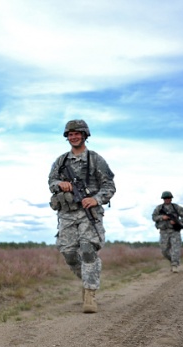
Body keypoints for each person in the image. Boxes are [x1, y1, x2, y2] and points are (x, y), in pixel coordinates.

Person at [48, 120, 116, 313]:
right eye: (70, 134)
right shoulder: (61, 161)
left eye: (77, 133)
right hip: (67, 213)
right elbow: (51, 181)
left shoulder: (95, 160)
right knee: (68, 253)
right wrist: (60, 184)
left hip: (89, 213)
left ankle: (89, 293)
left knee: (87, 250)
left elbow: (109, 186)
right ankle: (88, 279)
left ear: (85, 135)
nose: (74, 137)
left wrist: (96, 199)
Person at [152, 191, 183, 273]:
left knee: (176, 249)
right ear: (163, 199)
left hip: (175, 231)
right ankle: (173, 261)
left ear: (171, 199)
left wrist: (178, 222)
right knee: (164, 250)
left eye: (169, 198)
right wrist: (162, 217)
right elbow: (154, 217)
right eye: (165, 198)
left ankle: (175, 265)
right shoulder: (159, 208)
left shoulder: (177, 207)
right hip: (163, 231)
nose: (167, 199)